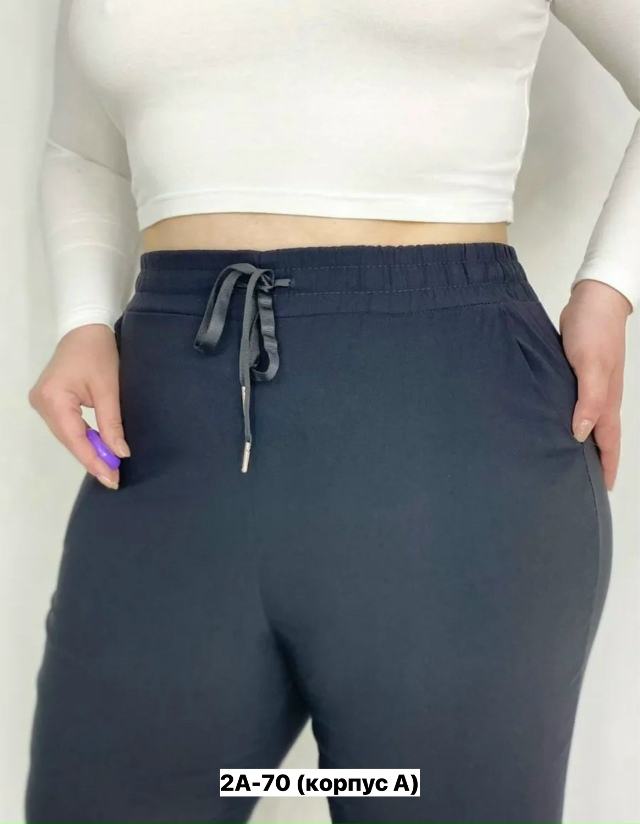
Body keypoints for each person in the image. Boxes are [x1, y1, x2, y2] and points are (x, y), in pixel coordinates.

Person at [25, 0, 637, 822]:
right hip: (165, 435)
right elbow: (82, 149)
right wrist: (82, 318)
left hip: (452, 439)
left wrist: (610, 289)